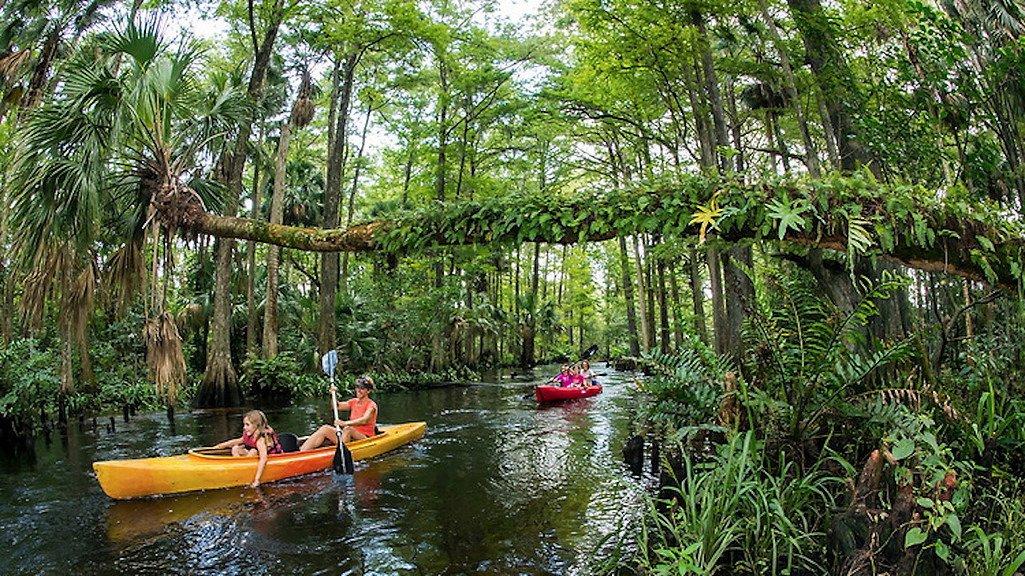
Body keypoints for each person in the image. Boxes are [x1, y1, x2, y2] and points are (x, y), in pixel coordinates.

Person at [300, 375, 379, 451]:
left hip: (365, 438)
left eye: (362, 388)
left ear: (368, 391)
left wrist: (344, 423)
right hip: (349, 436)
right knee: (325, 428)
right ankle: (301, 451)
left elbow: (364, 420)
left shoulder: (371, 405)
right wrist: (333, 395)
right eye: (357, 387)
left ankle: (339, 452)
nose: (358, 390)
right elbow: (336, 406)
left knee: (348, 429)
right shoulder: (353, 402)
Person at [213, 409, 283, 487]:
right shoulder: (248, 433)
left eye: (247, 425)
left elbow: (263, 459)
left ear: (256, 426)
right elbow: (238, 441)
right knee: (235, 448)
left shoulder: (260, 440)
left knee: (253, 451)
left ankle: (244, 469)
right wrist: (219, 446)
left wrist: (257, 480)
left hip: (273, 457)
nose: (244, 427)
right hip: (251, 457)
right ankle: (239, 466)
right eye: (244, 424)